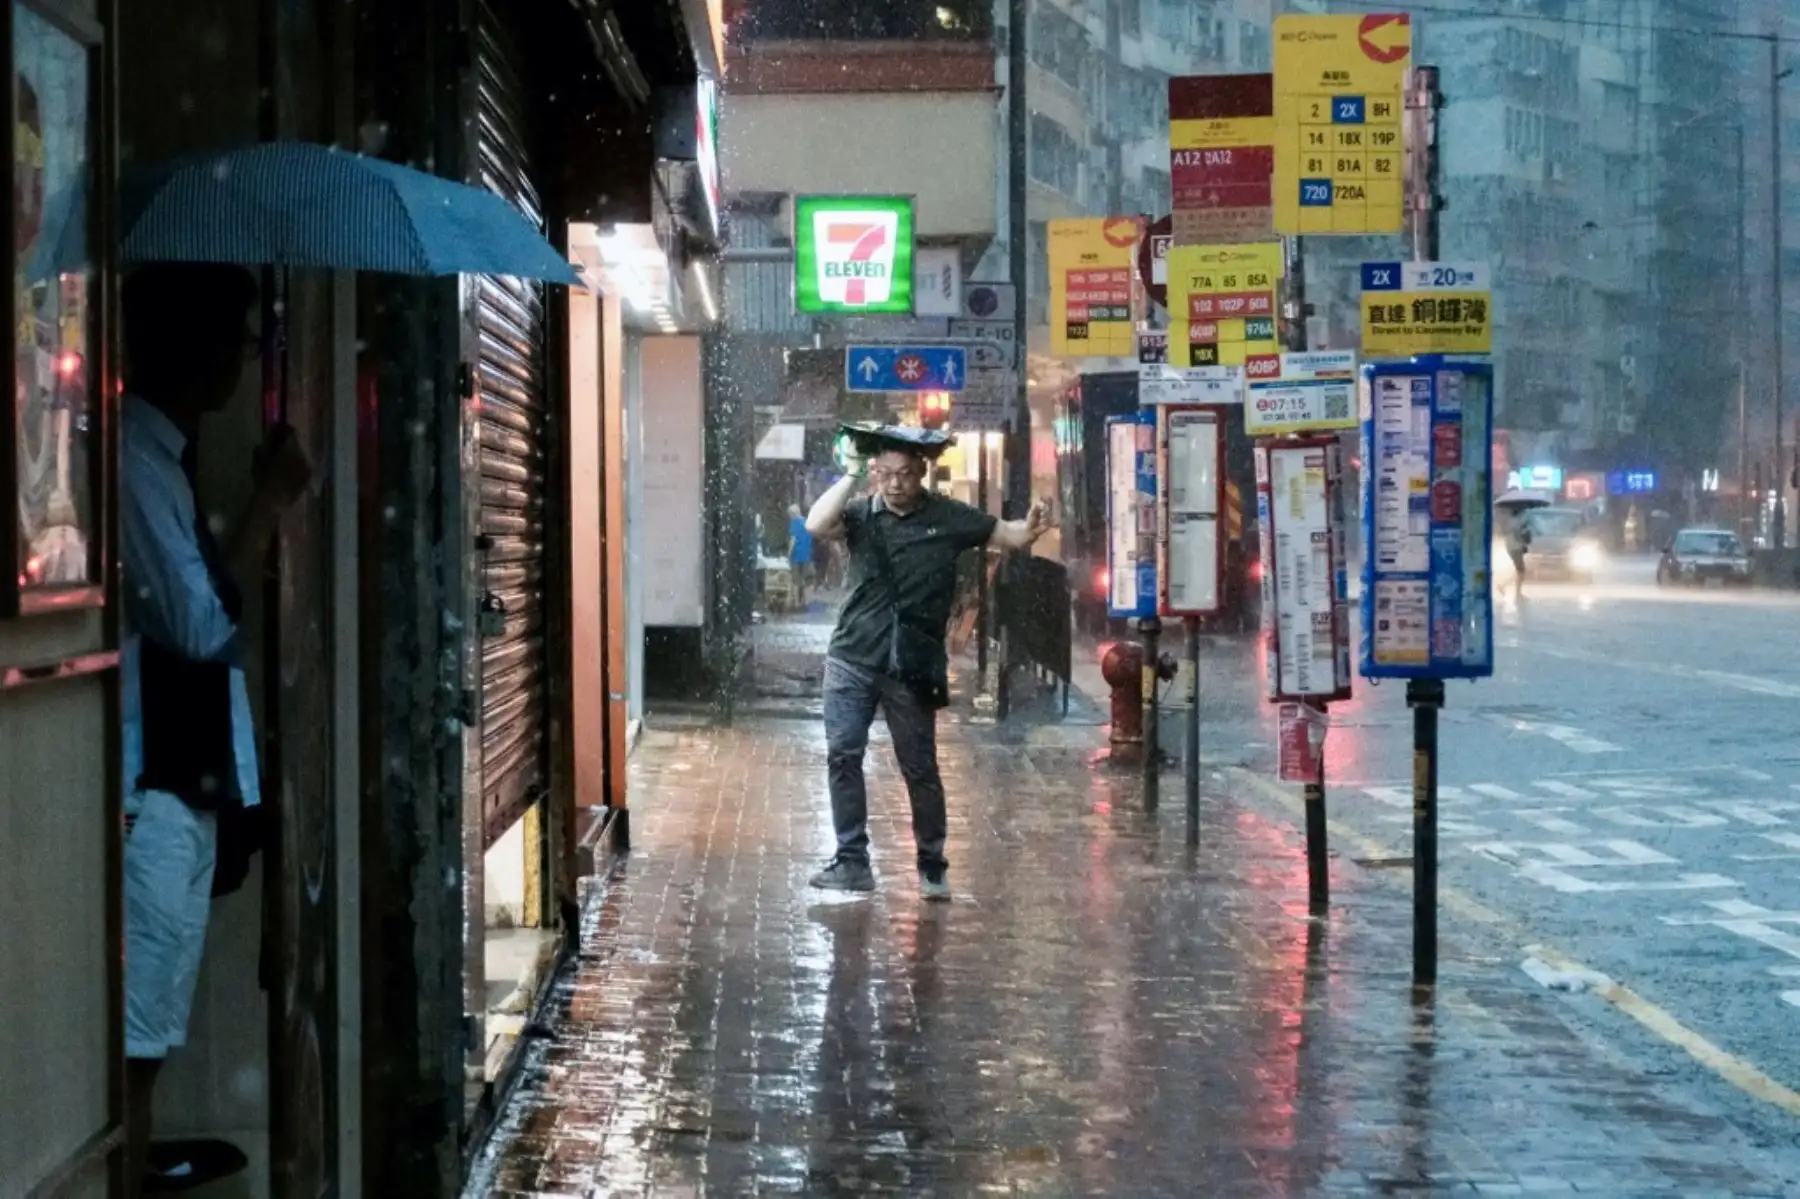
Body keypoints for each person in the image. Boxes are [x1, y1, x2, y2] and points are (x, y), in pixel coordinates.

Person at [119, 263, 312, 1196]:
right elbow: (196, 627)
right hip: (153, 793)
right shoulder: (133, 462)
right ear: (192, 349)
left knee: (152, 1024)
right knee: (137, 1042)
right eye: (238, 341)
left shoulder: (167, 460)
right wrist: (268, 506)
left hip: (184, 794)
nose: (245, 361)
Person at [803, 437, 1050, 900]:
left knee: (919, 766)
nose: (895, 484)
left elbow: (1008, 534)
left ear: (922, 473)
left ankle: (932, 864)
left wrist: (1030, 527)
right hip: (853, 655)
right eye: (885, 474)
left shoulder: (949, 516)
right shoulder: (859, 515)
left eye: (905, 475)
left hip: (911, 662)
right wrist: (854, 474)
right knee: (842, 754)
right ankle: (852, 860)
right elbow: (817, 523)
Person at [787, 502, 813, 606]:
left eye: (790, 514)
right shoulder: (807, 522)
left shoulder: (794, 523)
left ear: (793, 514)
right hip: (806, 555)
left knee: (796, 581)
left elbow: (793, 540)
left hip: (796, 556)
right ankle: (806, 601)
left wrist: (788, 553)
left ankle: (797, 602)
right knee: (806, 580)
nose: (790, 516)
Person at [1507, 513, 1532, 598]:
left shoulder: (1513, 521)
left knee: (1520, 571)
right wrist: (1524, 541)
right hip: (1515, 548)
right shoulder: (1515, 522)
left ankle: (1517, 591)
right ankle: (1517, 591)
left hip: (1513, 548)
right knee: (1521, 571)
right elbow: (1517, 535)